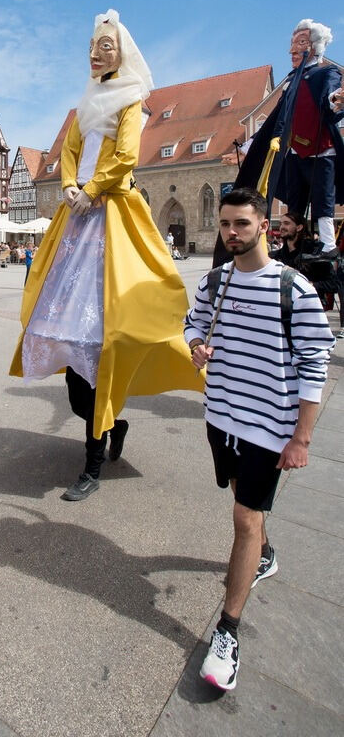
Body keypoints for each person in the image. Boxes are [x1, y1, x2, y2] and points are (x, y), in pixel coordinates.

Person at [10, 8, 203, 501]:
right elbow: (70, 152)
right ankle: (113, 426)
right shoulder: (84, 104)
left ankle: (92, 465)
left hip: (112, 211)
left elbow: (127, 157)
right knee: (72, 359)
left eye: (105, 47)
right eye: (92, 48)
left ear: (122, 53)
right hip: (77, 216)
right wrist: (71, 185)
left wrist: (93, 189)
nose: (96, 54)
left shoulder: (131, 100)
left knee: (103, 342)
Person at [185, 187, 334, 691]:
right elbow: (194, 323)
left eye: (242, 224)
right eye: (226, 224)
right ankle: (265, 553)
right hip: (221, 417)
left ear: (264, 227)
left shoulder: (295, 288)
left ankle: (227, 632)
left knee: (245, 517)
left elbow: (316, 363)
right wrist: (196, 346)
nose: (231, 233)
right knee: (238, 499)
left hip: (270, 427)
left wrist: (302, 439)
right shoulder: (214, 282)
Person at [234, 19, 344, 258]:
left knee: (322, 199)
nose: (292, 50)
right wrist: (247, 148)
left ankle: (327, 244)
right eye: (292, 44)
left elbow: (330, 97)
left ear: (314, 46)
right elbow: (275, 121)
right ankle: (292, 246)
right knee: (295, 202)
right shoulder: (291, 81)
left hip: (321, 151)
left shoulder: (326, 72)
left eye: (300, 43)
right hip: (295, 152)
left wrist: (337, 100)